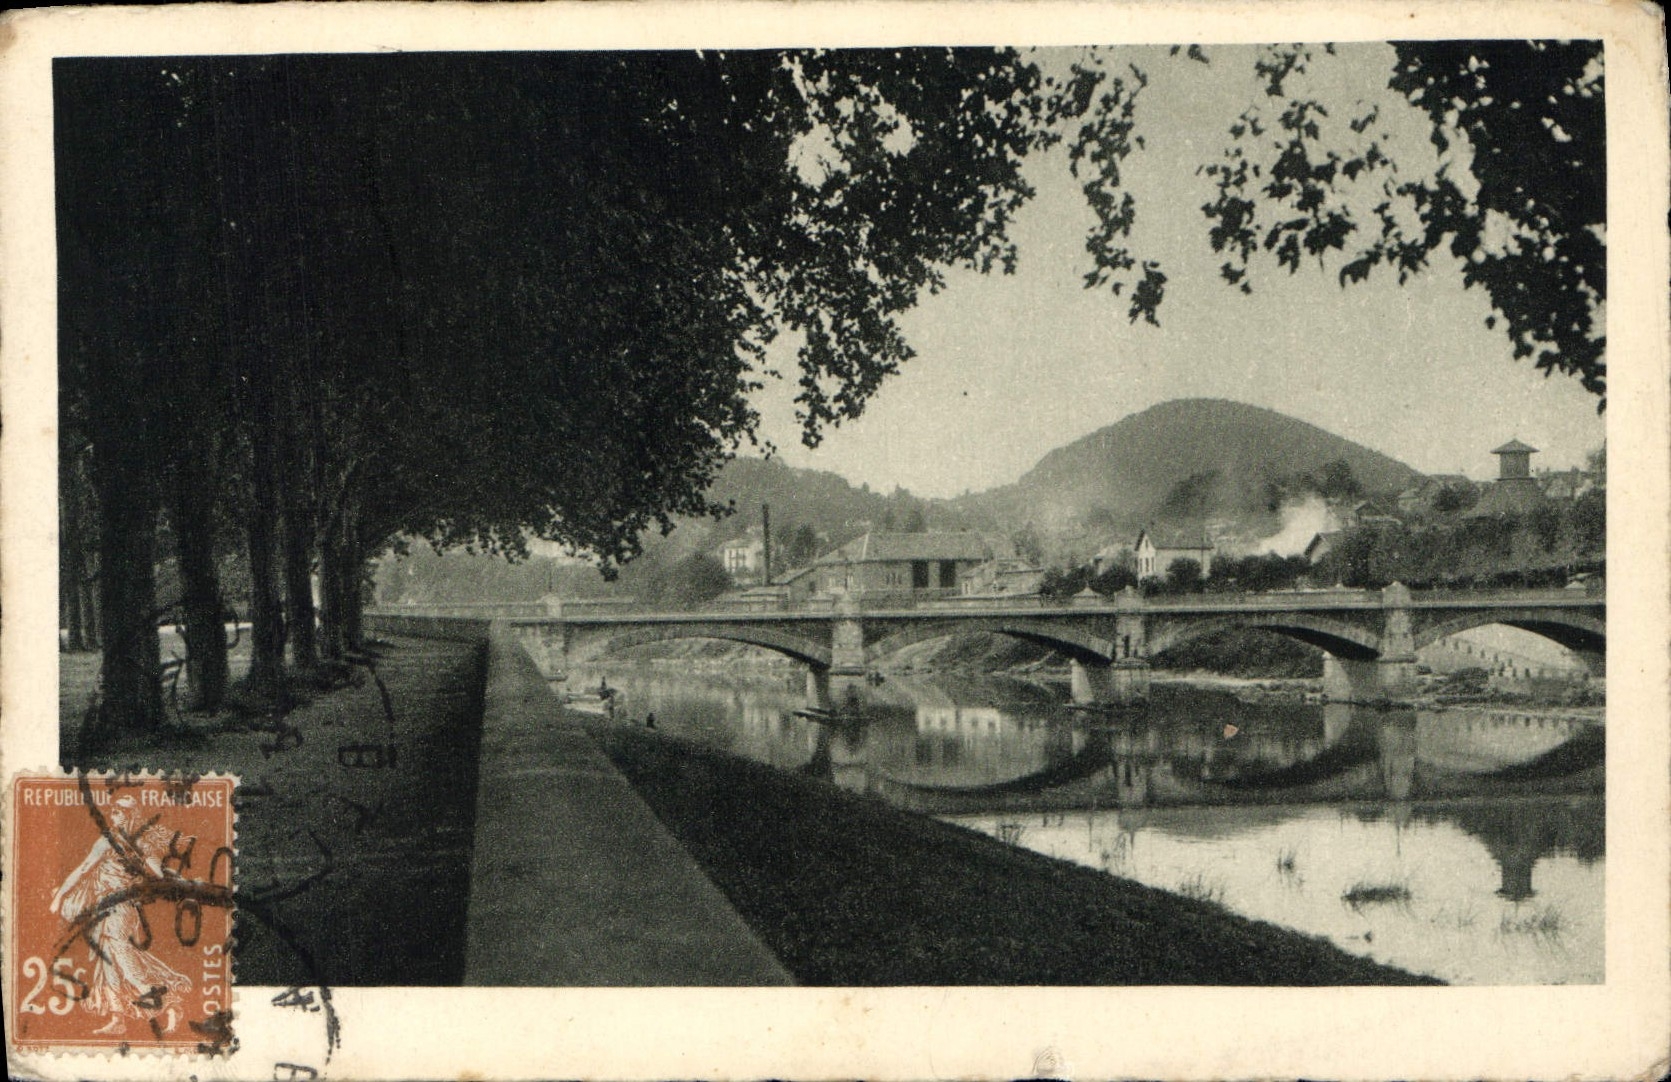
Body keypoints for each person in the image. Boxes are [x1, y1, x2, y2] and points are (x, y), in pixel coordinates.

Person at [49, 796, 191, 1034]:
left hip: (120, 911)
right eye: (112, 810)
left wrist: (58, 897)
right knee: (108, 965)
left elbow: (157, 875)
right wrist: (59, 896)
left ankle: (170, 1004)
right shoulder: (130, 842)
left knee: (127, 965)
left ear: (129, 815)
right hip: (108, 910)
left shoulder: (125, 843)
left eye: (118, 811)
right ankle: (118, 1019)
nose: (112, 814)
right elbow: (85, 869)